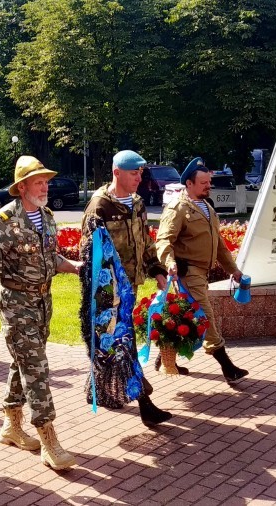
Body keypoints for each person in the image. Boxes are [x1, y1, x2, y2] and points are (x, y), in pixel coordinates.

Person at [0, 156, 82, 471]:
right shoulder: (4, 220)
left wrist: (74, 267)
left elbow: (50, 256)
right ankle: (49, 441)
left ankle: (11, 427)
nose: (45, 186)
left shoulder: (46, 216)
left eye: (46, 181)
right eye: (38, 182)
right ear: (22, 187)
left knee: (23, 362)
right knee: (37, 369)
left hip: (43, 304)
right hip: (16, 304)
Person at [80, 150, 174, 428]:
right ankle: (145, 402)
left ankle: (96, 390)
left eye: (140, 173)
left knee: (111, 347)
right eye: (134, 173)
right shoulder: (100, 207)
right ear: (117, 172)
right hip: (108, 292)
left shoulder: (136, 203)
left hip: (130, 288)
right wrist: (102, 294)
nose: (138, 178)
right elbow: (89, 254)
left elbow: (144, 240)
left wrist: (156, 269)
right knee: (124, 344)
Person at [156, 161, 249, 385]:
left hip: (201, 273)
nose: (209, 186)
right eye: (203, 182)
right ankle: (228, 367)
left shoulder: (207, 207)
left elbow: (219, 246)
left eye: (209, 182)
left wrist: (234, 270)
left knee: (187, 318)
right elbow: (164, 239)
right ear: (189, 183)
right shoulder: (178, 208)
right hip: (187, 273)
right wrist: (169, 263)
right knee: (205, 316)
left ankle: (164, 360)